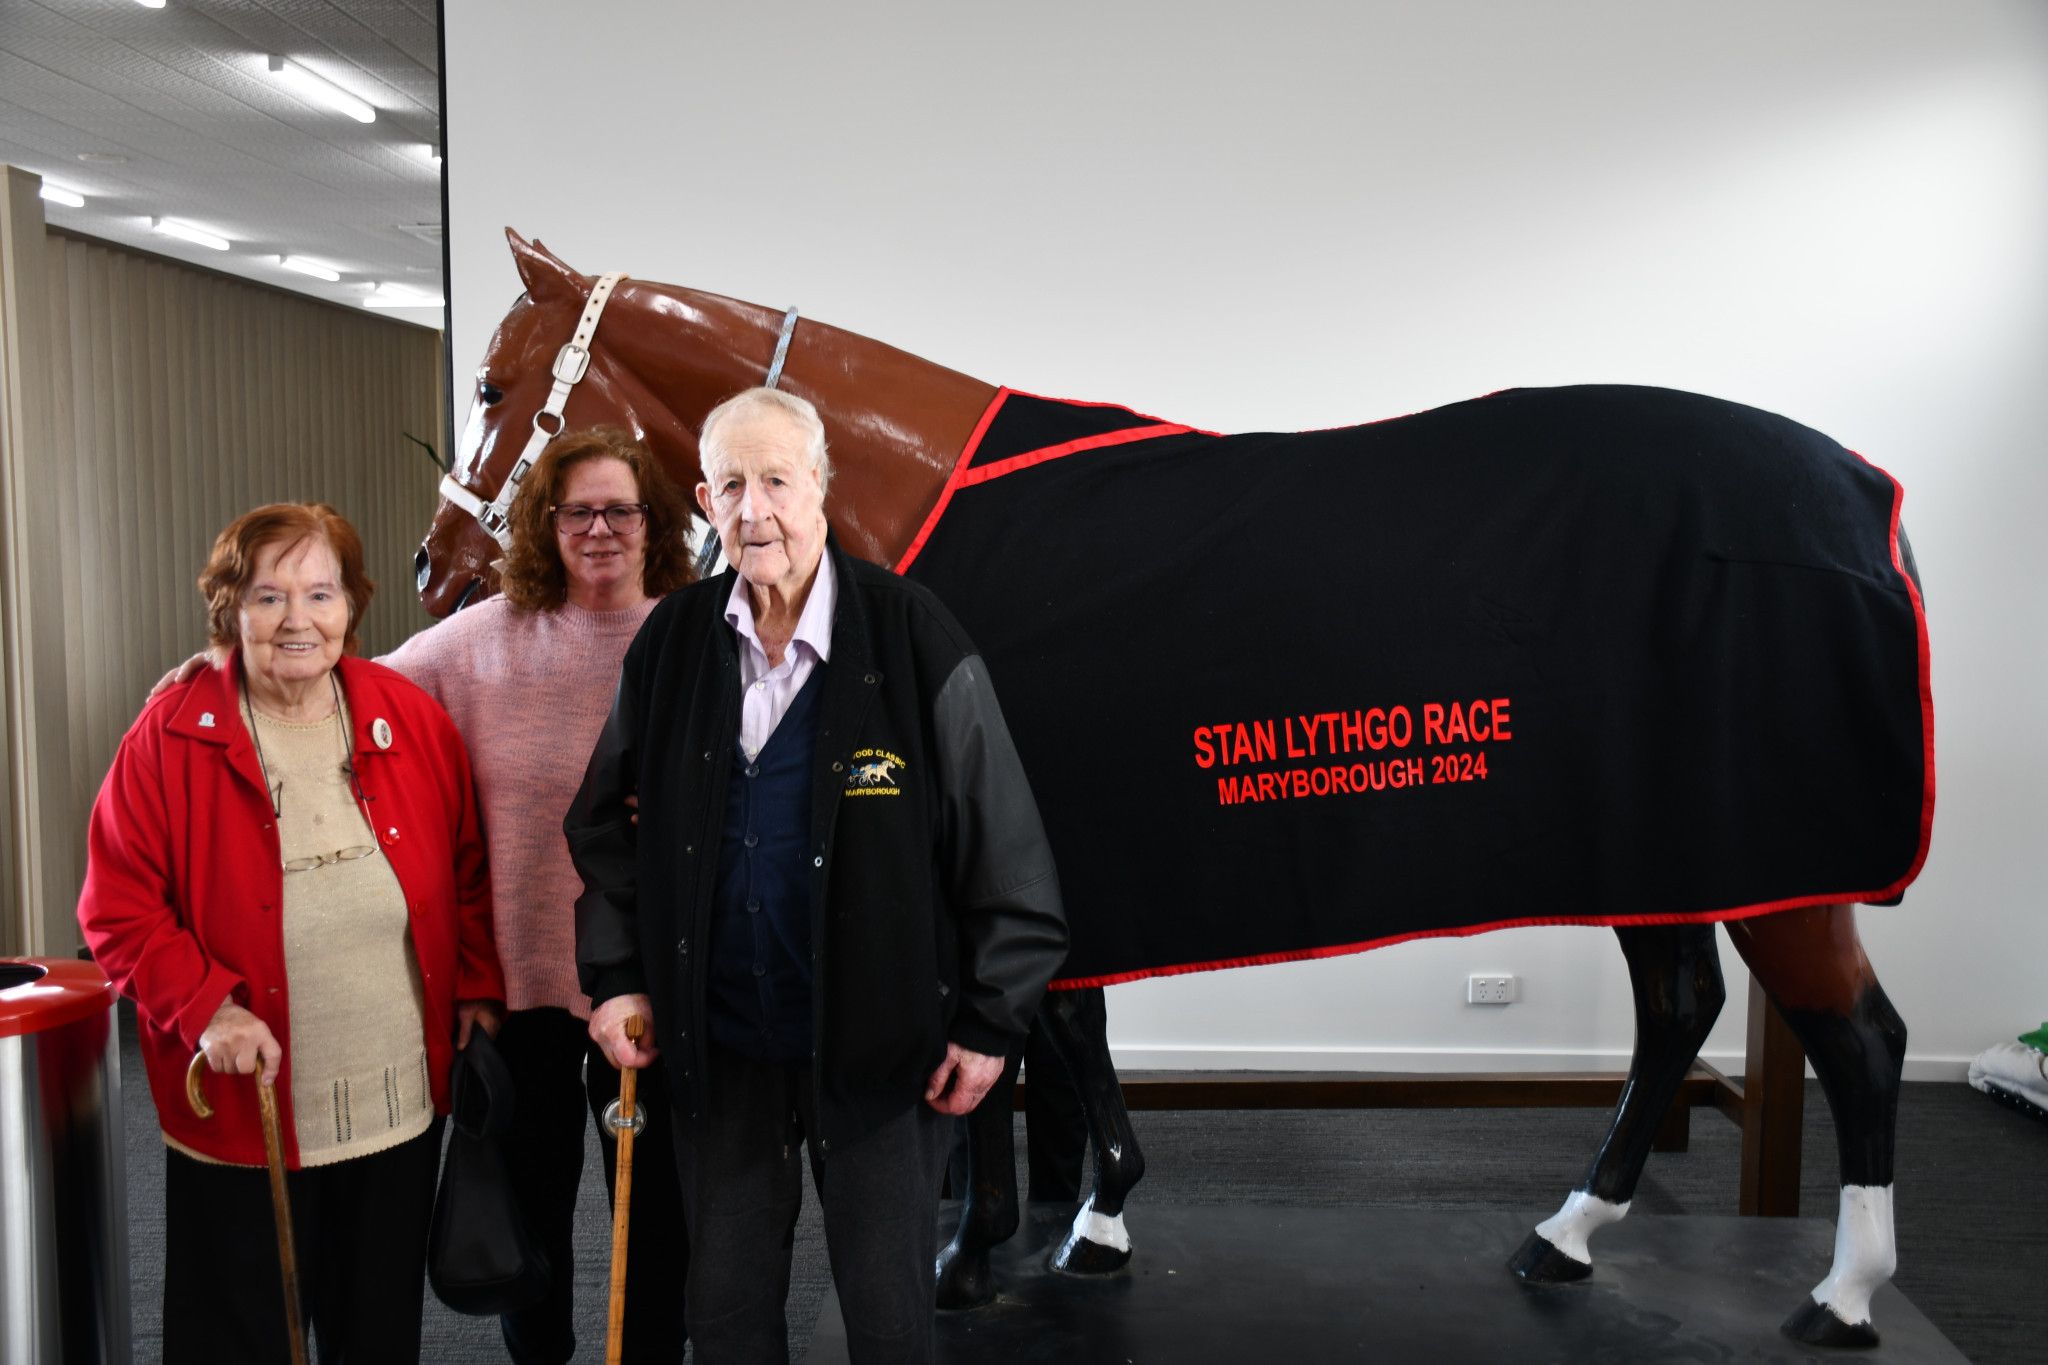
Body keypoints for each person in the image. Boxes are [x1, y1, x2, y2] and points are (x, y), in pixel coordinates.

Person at [151, 428, 700, 1364]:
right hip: (521, 971)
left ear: (655, 523)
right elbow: (339, 677)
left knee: (656, 1207)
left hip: (647, 976)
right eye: (578, 511)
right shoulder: (483, 638)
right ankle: (542, 1354)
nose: (601, 529)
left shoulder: (693, 641)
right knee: (528, 1197)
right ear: (546, 524)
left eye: (622, 509)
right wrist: (219, 667)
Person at [567, 387, 1070, 1365]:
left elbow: (1007, 851)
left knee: (887, 1327)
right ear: (704, 502)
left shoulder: (910, 633)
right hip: (716, 1051)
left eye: (775, 482)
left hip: (884, 1057)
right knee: (725, 1321)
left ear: (820, 489)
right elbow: (600, 825)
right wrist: (617, 972)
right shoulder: (671, 644)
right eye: (728, 485)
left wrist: (988, 1023)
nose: (752, 510)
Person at [80, 503, 504, 1363]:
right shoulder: (168, 734)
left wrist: (476, 986)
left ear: (352, 603)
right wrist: (209, 1010)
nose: (297, 619)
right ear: (229, 608)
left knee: (375, 1330)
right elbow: (117, 910)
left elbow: (467, 869)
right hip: (249, 1107)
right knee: (241, 1335)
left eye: (321, 592)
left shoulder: (407, 714)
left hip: (395, 1106)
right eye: (269, 596)